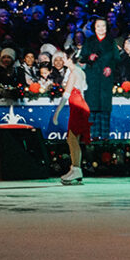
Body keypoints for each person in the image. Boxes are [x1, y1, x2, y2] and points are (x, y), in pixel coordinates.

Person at [51, 49, 88, 185]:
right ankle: (75, 168)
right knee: (73, 139)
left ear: (69, 59)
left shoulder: (74, 73)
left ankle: (77, 169)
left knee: (72, 139)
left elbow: (66, 94)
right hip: (79, 106)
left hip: (77, 107)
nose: (62, 60)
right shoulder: (80, 72)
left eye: (64, 58)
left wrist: (57, 113)